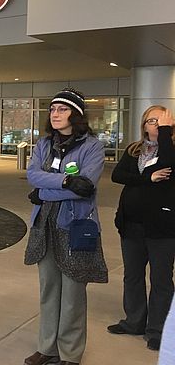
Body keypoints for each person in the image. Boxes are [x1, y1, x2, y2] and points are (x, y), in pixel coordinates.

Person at [23, 88, 107, 365]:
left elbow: (86, 187)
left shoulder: (92, 146)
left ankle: (70, 354)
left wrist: (45, 191)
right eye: (53, 109)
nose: (55, 114)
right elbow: (33, 174)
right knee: (49, 288)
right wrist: (65, 181)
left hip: (74, 225)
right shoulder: (44, 144)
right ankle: (47, 348)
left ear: (77, 114)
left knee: (72, 292)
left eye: (63, 109)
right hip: (44, 224)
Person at [108, 105, 175, 351]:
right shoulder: (134, 150)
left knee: (161, 280)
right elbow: (117, 175)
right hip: (132, 225)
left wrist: (167, 133)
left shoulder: (171, 149)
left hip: (162, 229)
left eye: (161, 121)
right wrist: (148, 178)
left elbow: (168, 165)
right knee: (133, 276)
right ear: (143, 125)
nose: (155, 125)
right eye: (151, 121)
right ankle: (134, 321)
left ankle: (158, 329)